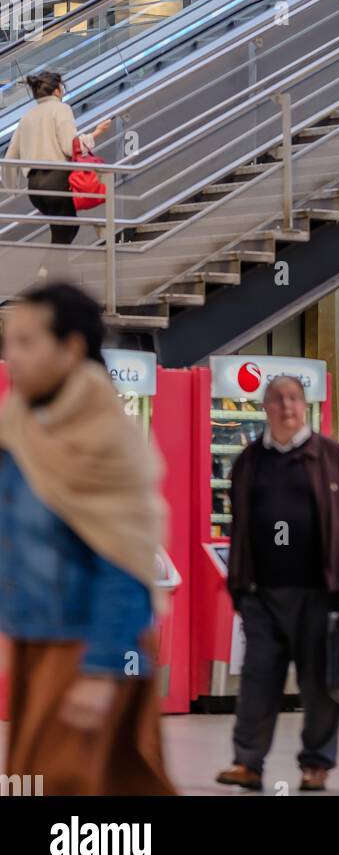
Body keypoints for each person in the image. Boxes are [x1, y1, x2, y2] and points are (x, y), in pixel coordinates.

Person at [0, 282, 174, 795]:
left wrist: (102, 667)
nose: (12, 355)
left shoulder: (108, 440)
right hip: (38, 641)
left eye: (28, 342)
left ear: (71, 346)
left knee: (69, 789)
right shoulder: (16, 426)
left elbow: (126, 561)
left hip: (91, 642)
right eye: (9, 341)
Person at [217, 376, 339, 793]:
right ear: (265, 408)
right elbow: (240, 530)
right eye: (277, 399)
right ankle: (247, 763)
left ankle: (316, 765)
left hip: (320, 592)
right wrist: (239, 588)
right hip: (263, 594)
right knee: (257, 680)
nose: (286, 406)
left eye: (293, 398)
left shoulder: (330, 457)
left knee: (320, 683)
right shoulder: (250, 461)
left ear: (304, 406)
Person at [6, 71, 111, 245]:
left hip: (35, 188)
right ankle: (46, 270)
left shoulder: (26, 117)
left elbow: (10, 156)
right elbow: (70, 147)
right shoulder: (61, 109)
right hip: (56, 181)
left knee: (64, 229)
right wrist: (97, 133)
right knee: (65, 231)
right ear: (56, 91)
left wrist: (11, 189)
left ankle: (50, 270)